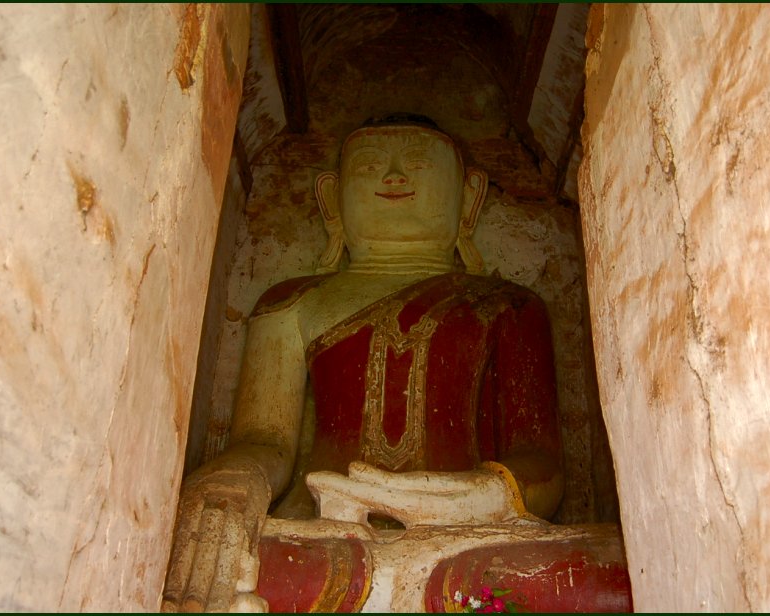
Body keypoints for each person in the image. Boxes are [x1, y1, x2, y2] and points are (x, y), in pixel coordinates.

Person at [161, 115, 565, 613]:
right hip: (327, 532)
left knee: (595, 573)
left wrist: (471, 497)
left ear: (470, 197)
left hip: (465, 537)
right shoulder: (292, 303)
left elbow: (542, 464)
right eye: (371, 167)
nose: (394, 177)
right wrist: (229, 483)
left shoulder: (510, 305)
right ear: (331, 200)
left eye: (418, 165)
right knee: (228, 565)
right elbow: (263, 440)